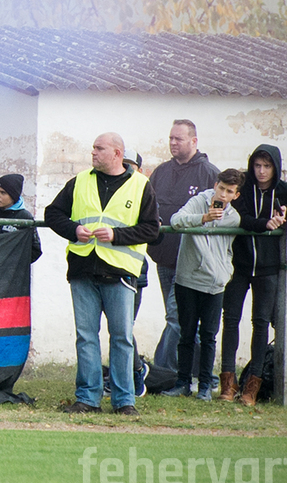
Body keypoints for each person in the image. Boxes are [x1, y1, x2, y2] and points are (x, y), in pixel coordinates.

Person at [44, 132, 159, 416]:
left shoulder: (141, 185)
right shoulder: (80, 181)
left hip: (120, 273)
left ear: (117, 154)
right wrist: (74, 230)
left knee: (121, 338)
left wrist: (116, 235)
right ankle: (87, 398)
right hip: (83, 269)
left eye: (99, 148)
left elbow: (151, 229)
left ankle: (124, 401)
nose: (93, 153)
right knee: (86, 337)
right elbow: (52, 214)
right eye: (93, 148)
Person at [217, 143, 287, 405]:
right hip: (239, 265)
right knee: (230, 319)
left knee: (260, 323)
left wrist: (286, 210)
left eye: (267, 166)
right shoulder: (244, 186)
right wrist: (265, 224)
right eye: (257, 165)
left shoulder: (282, 189)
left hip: (268, 268)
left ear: (275, 168)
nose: (261, 171)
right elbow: (241, 217)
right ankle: (227, 383)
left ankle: (252, 387)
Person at [145, 119, 220, 389]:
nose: (173, 143)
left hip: (192, 261)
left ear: (194, 141)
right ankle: (203, 376)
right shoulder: (161, 172)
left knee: (177, 319)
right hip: (164, 258)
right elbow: (148, 208)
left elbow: (221, 215)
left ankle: (162, 373)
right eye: (171, 138)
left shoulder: (209, 174)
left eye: (179, 138)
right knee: (183, 321)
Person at [160, 168, 242, 400]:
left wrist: (224, 273)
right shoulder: (198, 202)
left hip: (214, 283)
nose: (223, 195)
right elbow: (176, 220)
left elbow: (226, 249)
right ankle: (183, 382)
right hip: (187, 278)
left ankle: (205, 385)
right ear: (215, 185)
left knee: (208, 335)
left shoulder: (233, 217)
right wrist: (203, 218)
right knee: (186, 333)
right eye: (221, 188)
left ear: (236, 195)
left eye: (229, 192)